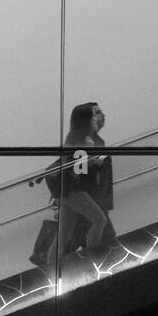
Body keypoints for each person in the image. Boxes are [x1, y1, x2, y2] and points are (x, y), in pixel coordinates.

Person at [47, 102, 117, 269]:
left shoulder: (96, 140)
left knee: (66, 230)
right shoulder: (78, 137)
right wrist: (91, 159)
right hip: (69, 184)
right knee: (98, 219)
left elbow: (90, 170)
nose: (102, 115)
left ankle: (49, 268)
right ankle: (93, 262)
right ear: (87, 119)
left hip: (73, 185)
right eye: (97, 113)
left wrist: (94, 161)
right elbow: (76, 168)